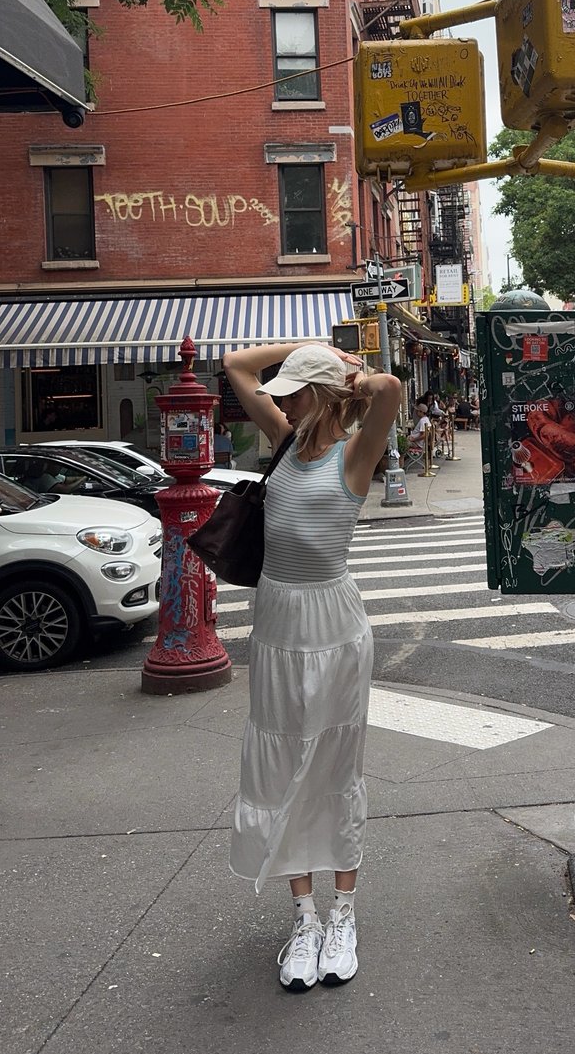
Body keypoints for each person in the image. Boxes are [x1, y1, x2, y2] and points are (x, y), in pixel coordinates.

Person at [222, 340, 401, 993]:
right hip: (277, 622)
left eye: (297, 387)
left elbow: (389, 389)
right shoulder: (281, 437)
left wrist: (340, 366)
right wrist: (299, 351)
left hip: (334, 625)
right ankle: (303, 918)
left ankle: (342, 915)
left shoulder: (357, 452)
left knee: (333, 769)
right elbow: (238, 366)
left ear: (321, 394)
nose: (285, 397)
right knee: (280, 771)